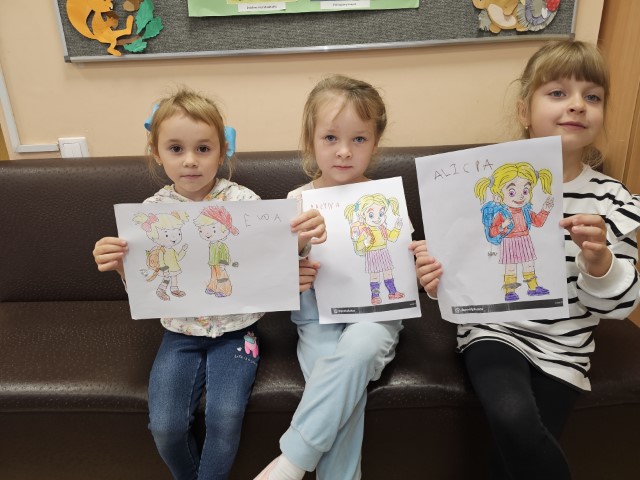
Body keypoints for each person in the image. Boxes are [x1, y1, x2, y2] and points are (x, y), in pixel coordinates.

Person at [412, 40, 640, 480]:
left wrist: (600, 262)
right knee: (513, 417)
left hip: (565, 346)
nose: (577, 105)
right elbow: (459, 272)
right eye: (557, 93)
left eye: (592, 96)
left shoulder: (613, 200)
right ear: (524, 111)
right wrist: (436, 276)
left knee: (516, 454)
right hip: (493, 331)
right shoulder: (484, 181)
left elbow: (621, 306)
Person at [92, 87, 325, 480]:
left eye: (203, 149)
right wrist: (119, 266)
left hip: (238, 331)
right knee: (165, 427)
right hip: (179, 333)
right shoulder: (149, 215)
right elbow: (150, 287)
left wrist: (299, 246)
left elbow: (267, 261)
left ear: (222, 152)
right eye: (176, 148)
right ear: (156, 153)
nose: (190, 160)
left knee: (225, 416)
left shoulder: (245, 202)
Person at [254, 74, 405, 480]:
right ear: (311, 141)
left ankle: (291, 463)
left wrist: (418, 259)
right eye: (330, 138)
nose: (344, 151)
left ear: (375, 143)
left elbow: (403, 265)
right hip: (316, 319)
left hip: (375, 315)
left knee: (358, 349)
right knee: (336, 383)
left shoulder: (386, 200)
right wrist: (297, 256)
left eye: (359, 139)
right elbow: (275, 279)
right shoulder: (296, 201)